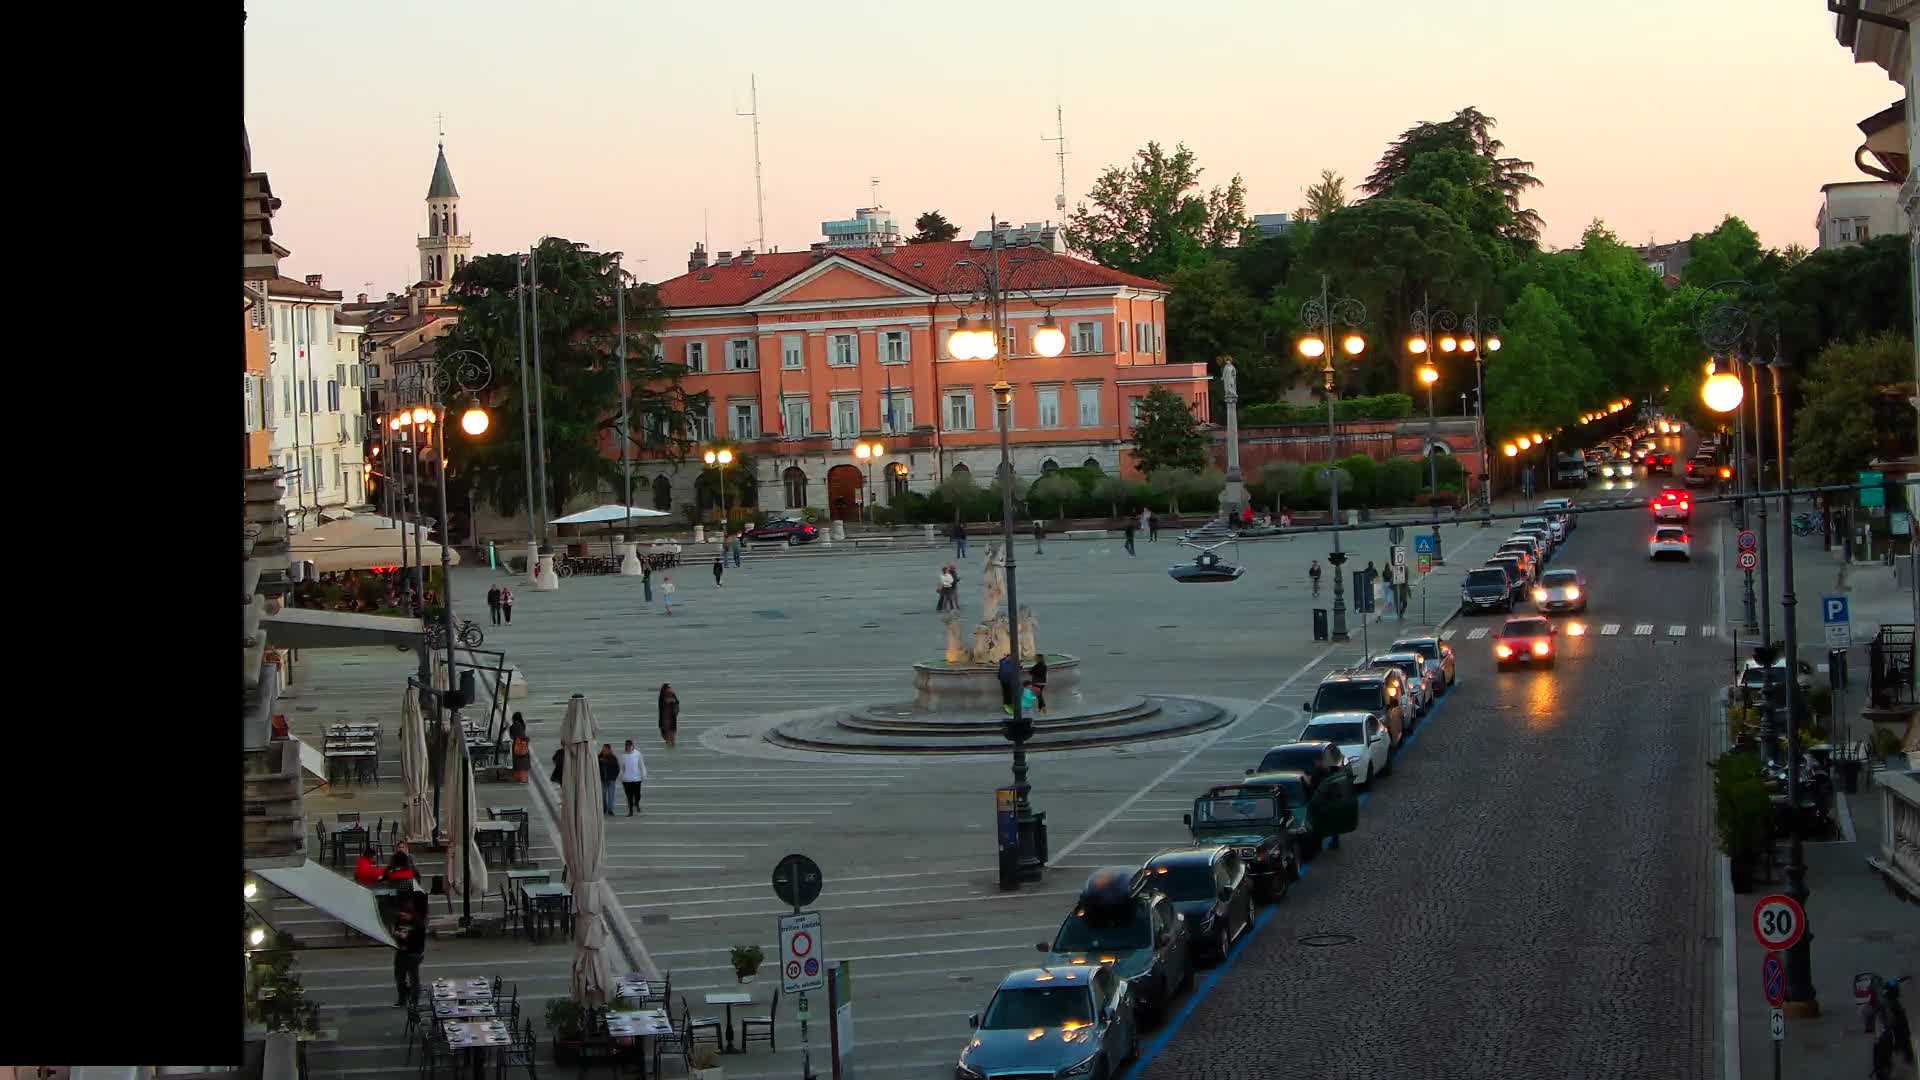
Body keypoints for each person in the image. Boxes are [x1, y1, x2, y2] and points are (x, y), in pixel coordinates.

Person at [392, 890, 427, 1007]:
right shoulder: (401, 921)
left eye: (404, 914)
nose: (402, 916)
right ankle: (402, 999)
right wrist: (398, 936)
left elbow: (418, 939)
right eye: (401, 914)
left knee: (413, 979)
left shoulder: (418, 922)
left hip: (413, 953)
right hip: (401, 952)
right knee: (399, 977)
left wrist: (404, 936)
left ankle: (415, 1001)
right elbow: (397, 931)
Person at [617, 739, 647, 816]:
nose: (628, 748)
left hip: (637, 778)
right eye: (627, 746)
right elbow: (621, 767)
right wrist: (620, 776)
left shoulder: (638, 754)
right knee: (629, 795)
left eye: (630, 746)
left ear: (633, 746)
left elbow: (641, 765)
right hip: (626, 779)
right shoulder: (622, 755)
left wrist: (644, 774)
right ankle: (630, 811)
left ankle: (636, 803)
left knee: (637, 795)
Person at [508, 712, 531, 784]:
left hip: (516, 745)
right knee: (524, 762)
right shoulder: (523, 725)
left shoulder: (513, 726)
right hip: (524, 744)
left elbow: (511, 737)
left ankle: (518, 778)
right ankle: (524, 778)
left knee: (517, 762)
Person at [598, 744, 619, 815]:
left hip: (611, 779)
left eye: (606, 749)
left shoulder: (613, 758)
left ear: (609, 750)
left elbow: (617, 769)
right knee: (603, 795)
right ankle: (604, 808)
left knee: (611, 795)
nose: (604, 751)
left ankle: (610, 809)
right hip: (602, 779)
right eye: (603, 749)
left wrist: (614, 778)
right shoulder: (599, 757)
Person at [658, 683, 680, 748]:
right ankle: (670, 744)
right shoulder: (663, 698)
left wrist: (673, 701)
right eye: (668, 688)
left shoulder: (673, 697)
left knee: (671, 737)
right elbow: (665, 703)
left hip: (671, 720)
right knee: (667, 737)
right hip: (665, 720)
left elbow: (676, 704)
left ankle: (671, 745)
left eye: (670, 688)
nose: (670, 690)